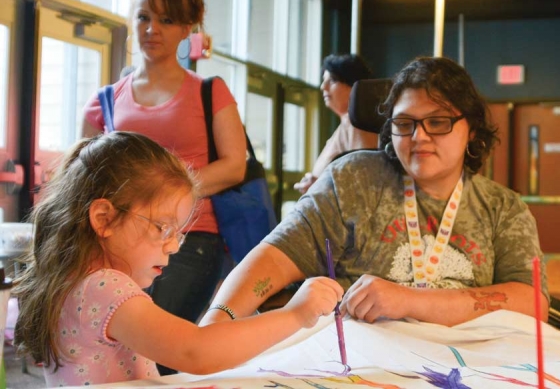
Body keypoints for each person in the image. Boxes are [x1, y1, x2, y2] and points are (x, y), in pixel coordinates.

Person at [201, 56, 550, 329]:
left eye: (438, 121)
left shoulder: (503, 208)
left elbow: (531, 303)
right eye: (404, 123)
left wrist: (409, 300)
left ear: (471, 130)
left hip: (468, 364)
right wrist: (218, 320)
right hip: (358, 363)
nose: (419, 137)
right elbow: (275, 258)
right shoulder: (353, 181)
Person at [13, 131, 343, 386]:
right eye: (163, 228)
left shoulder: (76, 281)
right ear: (103, 219)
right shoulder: (104, 286)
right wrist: (296, 314)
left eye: (178, 232)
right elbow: (194, 351)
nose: (173, 246)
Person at [81, 0, 246, 375]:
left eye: (167, 20)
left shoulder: (210, 91)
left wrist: (161, 200)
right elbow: (83, 174)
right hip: (118, 239)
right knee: (118, 355)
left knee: (165, 354)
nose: (152, 29)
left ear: (187, 30)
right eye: (143, 17)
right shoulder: (105, 99)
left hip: (188, 238)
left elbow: (234, 165)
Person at [294, 54, 378, 194]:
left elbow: (364, 180)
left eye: (332, 80)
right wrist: (315, 183)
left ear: (354, 85)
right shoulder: (346, 124)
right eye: (323, 81)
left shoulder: (357, 124)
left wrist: (318, 187)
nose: (323, 87)